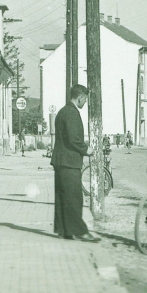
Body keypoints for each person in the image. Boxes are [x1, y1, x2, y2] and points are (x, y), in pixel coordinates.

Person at [50, 85, 99, 242]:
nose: (85, 103)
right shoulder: (72, 113)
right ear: (80, 97)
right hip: (69, 161)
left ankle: (64, 230)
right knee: (74, 198)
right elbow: (73, 139)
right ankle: (80, 231)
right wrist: (86, 150)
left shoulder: (63, 111)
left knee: (62, 196)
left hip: (61, 160)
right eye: (85, 99)